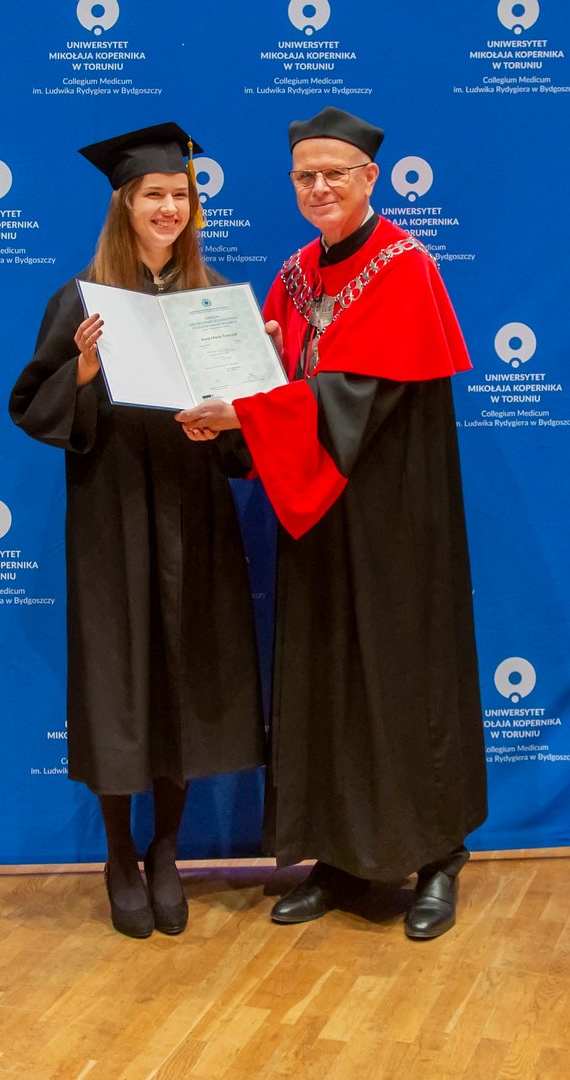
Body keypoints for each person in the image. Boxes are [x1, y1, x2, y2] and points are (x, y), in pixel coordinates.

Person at [176, 106, 488, 940]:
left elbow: (359, 396)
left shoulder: (406, 268)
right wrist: (239, 396)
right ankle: (340, 858)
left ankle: (437, 856)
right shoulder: (295, 274)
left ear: (369, 178)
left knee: (404, 676)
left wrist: (252, 411)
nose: (319, 188)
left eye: (334, 174)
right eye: (305, 176)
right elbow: (278, 379)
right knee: (324, 678)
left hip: (394, 519)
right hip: (316, 517)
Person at [9, 123, 264, 939]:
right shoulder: (83, 299)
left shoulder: (213, 299)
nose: (169, 208)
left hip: (193, 512)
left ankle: (167, 849)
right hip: (112, 516)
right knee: (119, 682)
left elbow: (246, 435)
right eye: (155, 194)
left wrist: (240, 399)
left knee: (184, 674)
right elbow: (32, 405)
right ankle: (119, 853)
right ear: (126, 203)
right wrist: (84, 370)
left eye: (180, 195)